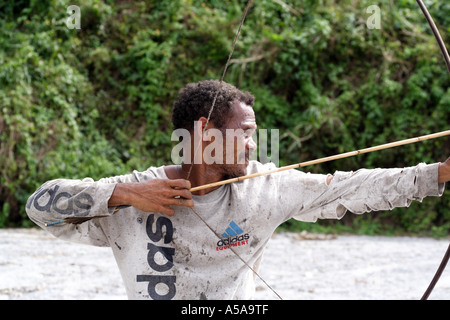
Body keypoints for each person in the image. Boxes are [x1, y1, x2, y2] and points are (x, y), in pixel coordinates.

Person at [26, 80, 449, 300]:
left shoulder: (264, 188)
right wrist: (125, 195)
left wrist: (440, 174)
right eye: (245, 132)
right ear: (205, 131)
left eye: (255, 134)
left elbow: (347, 188)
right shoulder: (137, 193)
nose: (252, 143)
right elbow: (40, 204)